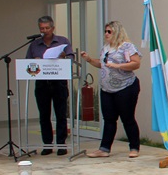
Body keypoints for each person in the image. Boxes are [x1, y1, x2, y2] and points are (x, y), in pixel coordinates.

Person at [80, 21, 141, 158]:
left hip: (125, 87)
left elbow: (136, 63)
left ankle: (134, 147)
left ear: (117, 32)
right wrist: (89, 59)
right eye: (105, 31)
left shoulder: (127, 47)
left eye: (109, 31)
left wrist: (118, 66)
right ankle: (104, 148)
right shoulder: (106, 48)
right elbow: (102, 64)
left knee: (127, 118)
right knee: (108, 119)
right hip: (107, 89)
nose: (106, 34)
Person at [26, 15, 74, 155]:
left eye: (47, 28)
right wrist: (35, 60)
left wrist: (63, 57)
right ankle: (47, 144)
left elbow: (71, 57)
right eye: (42, 28)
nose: (45, 30)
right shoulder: (34, 44)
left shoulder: (62, 41)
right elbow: (27, 62)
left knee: (60, 114)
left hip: (59, 82)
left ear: (53, 28)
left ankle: (61, 145)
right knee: (44, 115)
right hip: (42, 84)